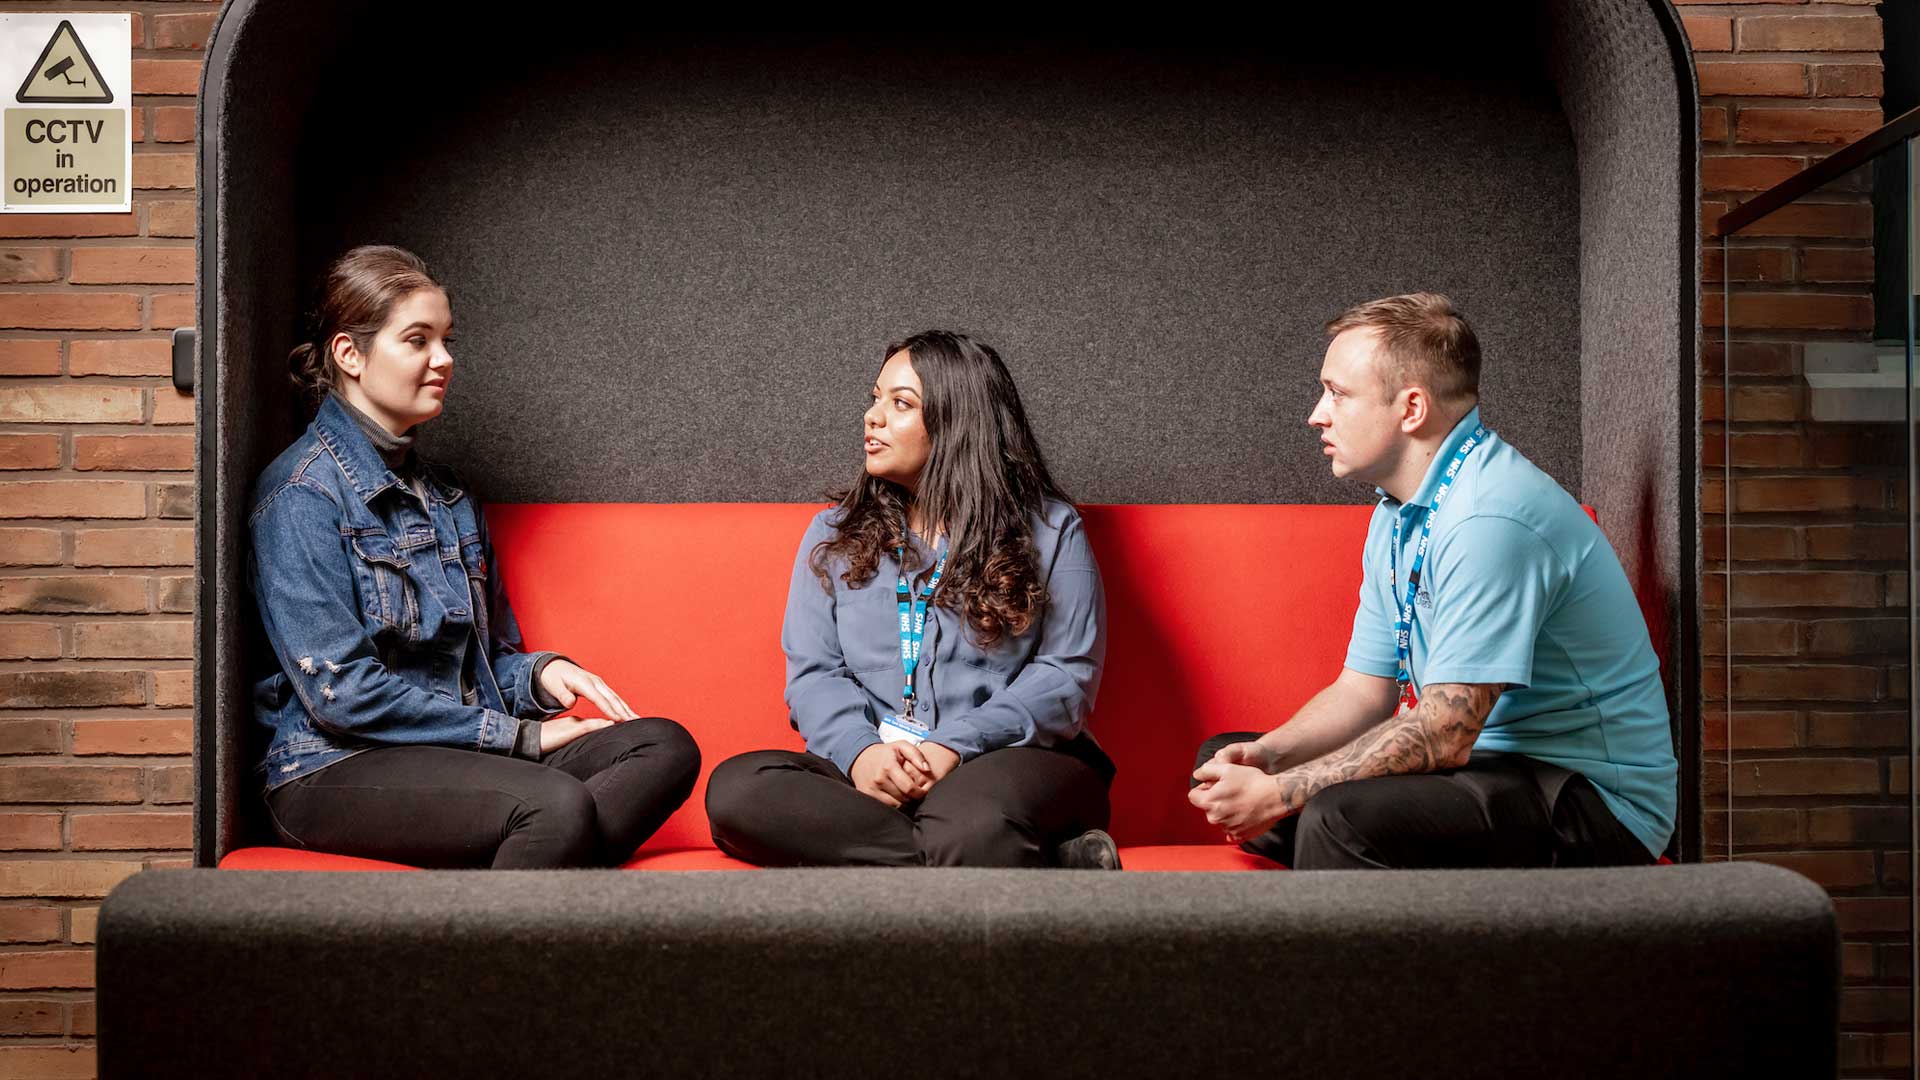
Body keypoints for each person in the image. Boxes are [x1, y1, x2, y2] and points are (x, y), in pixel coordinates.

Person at [248, 244, 700, 868]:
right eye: (418, 340)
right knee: (553, 806)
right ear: (349, 354)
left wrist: (543, 675)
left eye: (447, 339)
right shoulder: (300, 494)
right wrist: (522, 739)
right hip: (331, 767)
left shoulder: (450, 496)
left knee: (663, 746)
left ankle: (509, 873)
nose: (444, 359)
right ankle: (498, 928)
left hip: (461, 756)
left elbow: (486, 666)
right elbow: (342, 693)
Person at [1190, 293, 1677, 869]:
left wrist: (1280, 795)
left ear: (1412, 409)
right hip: (1483, 773)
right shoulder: (1399, 513)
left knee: (1335, 817)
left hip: (1590, 803)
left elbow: (1446, 733)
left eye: (1338, 394)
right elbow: (1364, 692)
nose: (1317, 414)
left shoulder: (1489, 517)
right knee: (1227, 760)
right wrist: (1269, 759)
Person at [705, 330, 1119, 868]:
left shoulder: (1052, 529)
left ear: (956, 425)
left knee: (969, 819)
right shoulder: (833, 534)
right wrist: (862, 755)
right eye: (875, 398)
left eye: (900, 404)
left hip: (1007, 762)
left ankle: (962, 841)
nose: (872, 417)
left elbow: (1066, 677)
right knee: (739, 791)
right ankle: (1041, 861)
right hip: (877, 766)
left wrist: (952, 747)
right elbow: (814, 673)